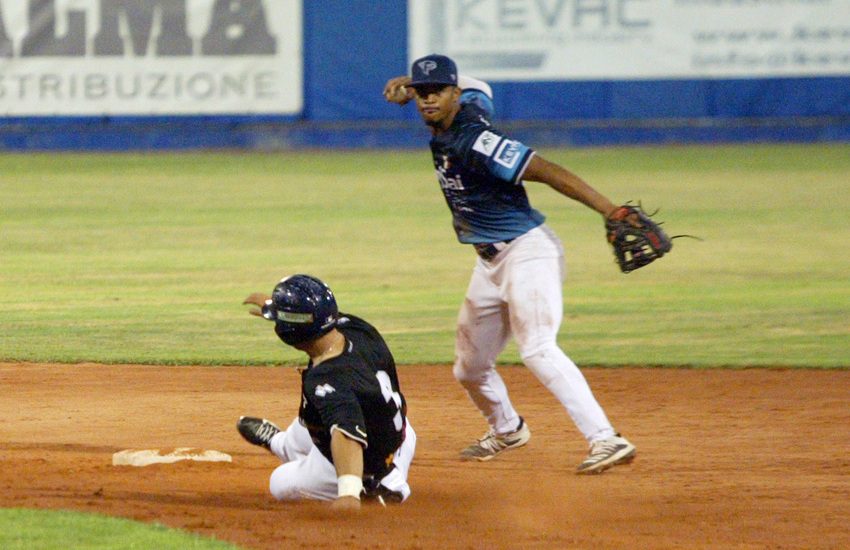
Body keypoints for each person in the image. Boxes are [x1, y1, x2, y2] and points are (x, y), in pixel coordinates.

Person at [383, 54, 635, 474]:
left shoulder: (475, 138)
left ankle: (606, 438)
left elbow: (546, 170)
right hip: (488, 262)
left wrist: (609, 210)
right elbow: (481, 85)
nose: (427, 100)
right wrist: (413, 80)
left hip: (527, 253)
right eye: (422, 93)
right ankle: (508, 428)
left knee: (537, 347)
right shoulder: (466, 106)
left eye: (436, 91)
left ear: (453, 94)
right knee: (469, 368)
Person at [239, 274, 416, 509]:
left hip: (368, 462)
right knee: (307, 421)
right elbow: (315, 316)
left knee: (279, 482)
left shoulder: (327, 377)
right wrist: (276, 308)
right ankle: (281, 444)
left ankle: (382, 486)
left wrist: (349, 492)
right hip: (397, 432)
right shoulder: (355, 328)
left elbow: (346, 432)